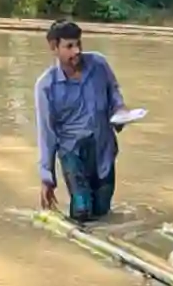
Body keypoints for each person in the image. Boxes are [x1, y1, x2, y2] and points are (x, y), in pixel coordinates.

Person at [34, 19, 133, 222]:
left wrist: (120, 111)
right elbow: (46, 133)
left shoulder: (99, 65)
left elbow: (113, 91)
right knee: (82, 209)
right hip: (72, 153)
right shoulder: (46, 86)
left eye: (79, 43)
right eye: (69, 46)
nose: (77, 50)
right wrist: (47, 178)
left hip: (103, 150)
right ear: (54, 47)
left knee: (102, 210)